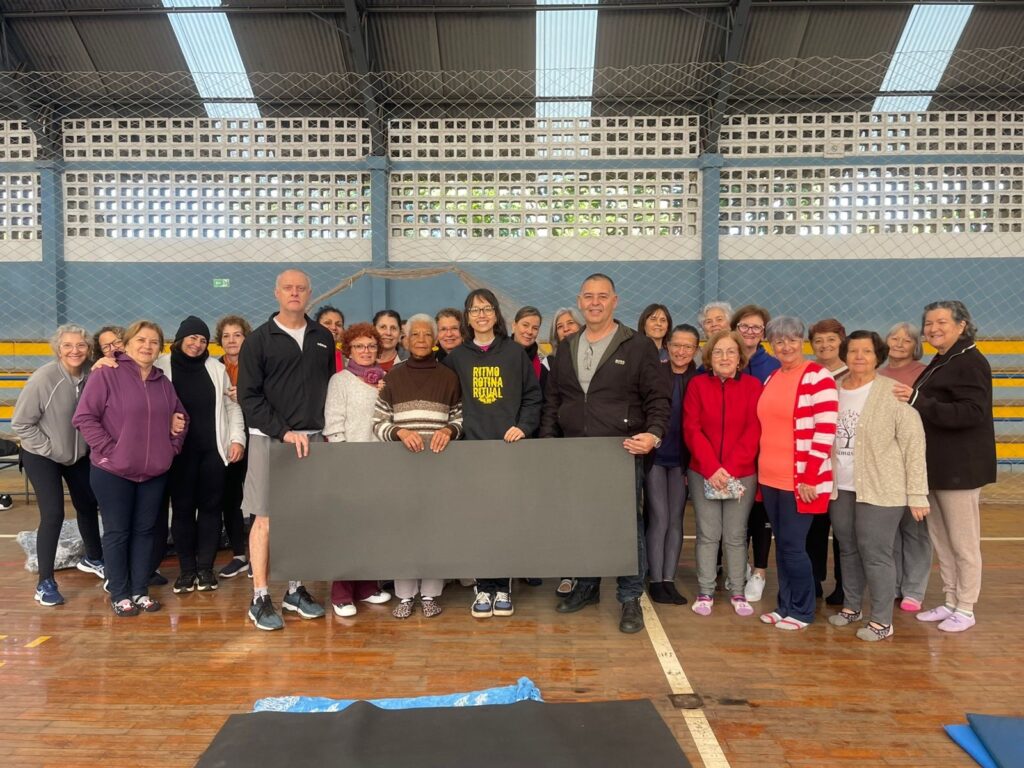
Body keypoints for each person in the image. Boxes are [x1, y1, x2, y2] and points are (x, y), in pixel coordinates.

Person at [540, 274, 670, 634]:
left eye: (602, 296)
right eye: (588, 296)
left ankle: (630, 598)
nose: (594, 302)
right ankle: (587, 585)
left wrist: (654, 434)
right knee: (583, 523)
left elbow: (658, 398)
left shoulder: (638, 346)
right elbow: (554, 401)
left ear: (615, 300)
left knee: (626, 526)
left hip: (620, 450)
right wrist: (550, 442)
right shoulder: (565, 348)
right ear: (579, 302)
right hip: (576, 452)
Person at [238, 269, 336, 631]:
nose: (295, 293)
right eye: (288, 288)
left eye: (301, 288)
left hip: (312, 441)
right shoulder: (258, 341)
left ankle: (295, 590)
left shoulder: (322, 337)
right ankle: (260, 596)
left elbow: (327, 388)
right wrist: (284, 431)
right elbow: (249, 397)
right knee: (265, 518)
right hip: (270, 439)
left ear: (309, 293)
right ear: (277, 293)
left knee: (301, 518)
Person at [72, 320, 188, 616]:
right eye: (141, 340)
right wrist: (111, 451)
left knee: (145, 532)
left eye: (153, 342)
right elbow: (85, 418)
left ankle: (140, 590)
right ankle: (120, 592)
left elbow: (180, 419)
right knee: (117, 532)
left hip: (153, 473)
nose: (147, 346)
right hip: (113, 472)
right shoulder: (107, 375)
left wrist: (171, 448)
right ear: (127, 344)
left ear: (160, 349)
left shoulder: (163, 382)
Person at [893, 300, 996, 633]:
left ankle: (966, 607)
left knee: (963, 542)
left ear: (961, 325)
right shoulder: (945, 359)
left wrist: (918, 400)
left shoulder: (970, 361)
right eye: (928, 323)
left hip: (960, 469)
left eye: (941, 322)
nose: (933, 328)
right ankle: (951, 599)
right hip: (937, 466)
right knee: (942, 539)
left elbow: (971, 412)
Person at [444, 289, 542, 619]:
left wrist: (524, 427)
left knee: (504, 519)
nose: (481, 314)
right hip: (471, 453)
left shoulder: (515, 353)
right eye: (474, 310)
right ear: (467, 317)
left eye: (487, 309)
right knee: (479, 521)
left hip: (507, 451)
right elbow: (446, 401)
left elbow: (533, 398)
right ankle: (483, 588)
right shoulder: (457, 357)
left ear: (496, 314)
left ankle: (503, 586)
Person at [826, 331, 929, 642]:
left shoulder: (892, 391)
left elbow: (913, 444)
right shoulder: (833, 389)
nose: (859, 356)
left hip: (882, 487)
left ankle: (882, 621)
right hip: (840, 486)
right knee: (848, 548)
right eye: (853, 351)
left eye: (867, 351)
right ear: (844, 355)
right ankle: (852, 606)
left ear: (878, 356)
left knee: (876, 552)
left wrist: (917, 493)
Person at [374, 314, 464, 619]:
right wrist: (400, 432)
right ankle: (404, 595)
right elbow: (379, 422)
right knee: (404, 528)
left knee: (436, 528)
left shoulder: (448, 377)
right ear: (405, 340)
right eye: (416, 335)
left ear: (435, 339)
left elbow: (460, 417)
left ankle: (430, 594)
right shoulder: (394, 377)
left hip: (440, 466)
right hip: (402, 468)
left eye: (428, 334)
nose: (422, 339)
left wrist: (448, 431)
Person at [13, 324, 104, 606]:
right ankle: (45, 582)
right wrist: (51, 449)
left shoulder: (93, 373)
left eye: (81, 345)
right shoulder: (44, 379)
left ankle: (94, 558)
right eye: (68, 345)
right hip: (42, 455)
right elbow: (21, 424)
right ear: (58, 349)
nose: (75, 350)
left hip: (77, 456)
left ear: (89, 348)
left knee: (88, 505)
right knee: (52, 514)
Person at [756, 316, 838, 631]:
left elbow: (825, 431)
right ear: (772, 345)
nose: (785, 346)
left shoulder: (818, 377)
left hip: (800, 481)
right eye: (779, 341)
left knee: (793, 545)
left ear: (801, 341)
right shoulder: (773, 377)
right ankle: (784, 605)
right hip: (771, 478)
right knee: (784, 544)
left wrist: (809, 477)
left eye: (791, 339)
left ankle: (802, 611)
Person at [154, 316, 245, 594]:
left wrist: (236, 439)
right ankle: (186, 570)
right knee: (181, 512)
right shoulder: (160, 366)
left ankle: (205, 569)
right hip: (177, 455)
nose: (197, 344)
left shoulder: (216, 368)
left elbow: (231, 408)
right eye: (192, 338)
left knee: (210, 511)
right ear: (180, 339)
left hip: (212, 454)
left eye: (203, 340)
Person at [684, 330, 761, 618]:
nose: (724, 357)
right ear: (709, 357)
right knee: (707, 534)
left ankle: (738, 591)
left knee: (736, 535)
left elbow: (754, 430)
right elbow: (692, 428)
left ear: (740, 357)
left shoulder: (754, 387)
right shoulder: (697, 385)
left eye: (730, 352)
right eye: (718, 352)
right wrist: (712, 467)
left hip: (740, 473)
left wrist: (729, 469)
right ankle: (705, 591)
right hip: (703, 471)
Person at [323, 322, 392, 617]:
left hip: (380, 463)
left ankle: (366, 587)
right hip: (351, 463)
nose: (366, 351)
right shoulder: (340, 381)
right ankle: (341, 592)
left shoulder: (386, 380)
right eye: (360, 346)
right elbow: (333, 424)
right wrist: (345, 461)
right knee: (347, 528)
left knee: (372, 526)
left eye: (371, 346)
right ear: (348, 349)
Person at [877, 321, 931, 610]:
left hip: (911, 460)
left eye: (906, 340)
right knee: (890, 529)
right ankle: (894, 583)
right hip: (884, 465)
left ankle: (914, 589)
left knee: (915, 528)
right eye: (893, 337)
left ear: (915, 346)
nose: (898, 343)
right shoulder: (876, 374)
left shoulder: (923, 374)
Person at [645, 324, 699, 606]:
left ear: (696, 350)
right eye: (676, 345)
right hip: (656, 458)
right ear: (668, 346)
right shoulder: (655, 374)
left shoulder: (699, 378)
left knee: (676, 520)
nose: (681, 351)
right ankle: (654, 580)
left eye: (688, 347)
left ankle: (668, 579)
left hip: (682, 462)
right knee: (660, 518)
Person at [730, 304, 780, 603]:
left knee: (760, 513)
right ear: (735, 328)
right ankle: (738, 568)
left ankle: (759, 572)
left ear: (764, 332)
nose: (750, 332)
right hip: (730, 455)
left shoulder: (773, 366)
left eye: (756, 327)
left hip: (763, 453)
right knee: (733, 514)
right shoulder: (723, 360)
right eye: (744, 326)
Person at [807, 318, 848, 605]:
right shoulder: (808, 374)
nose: (825, 346)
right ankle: (814, 580)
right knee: (815, 527)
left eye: (831, 340)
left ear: (841, 341)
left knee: (844, 531)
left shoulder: (854, 374)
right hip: (816, 463)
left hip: (845, 462)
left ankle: (845, 585)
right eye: (819, 340)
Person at [547, 305, 585, 598]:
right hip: (561, 448)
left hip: (592, 445)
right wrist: (549, 440)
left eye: (571, 323)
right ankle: (568, 572)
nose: (567, 328)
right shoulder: (551, 364)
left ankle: (591, 573)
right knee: (565, 514)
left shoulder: (595, 357)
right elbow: (550, 405)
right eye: (561, 326)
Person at [215, 315, 253, 579]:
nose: (231, 340)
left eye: (237, 335)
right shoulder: (214, 367)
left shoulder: (258, 364)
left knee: (259, 497)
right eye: (226, 336)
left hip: (259, 435)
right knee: (230, 497)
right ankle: (240, 555)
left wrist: (246, 396)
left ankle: (263, 553)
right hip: (229, 440)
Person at [511, 306, 549, 426]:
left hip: (529, 429)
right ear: (514, 326)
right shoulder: (497, 353)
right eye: (525, 325)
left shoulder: (543, 362)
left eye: (535, 328)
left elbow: (544, 403)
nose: (529, 331)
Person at [878, 322, 928, 388]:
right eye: (895, 339)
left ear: (916, 346)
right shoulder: (878, 374)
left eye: (907, 341)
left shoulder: (925, 373)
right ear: (886, 341)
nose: (899, 344)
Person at [315, 305, 345, 371]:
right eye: (327, 323)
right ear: (316, 327)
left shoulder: (350, 357)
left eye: (338, 325)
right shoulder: (310, 353)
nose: (333, 327)